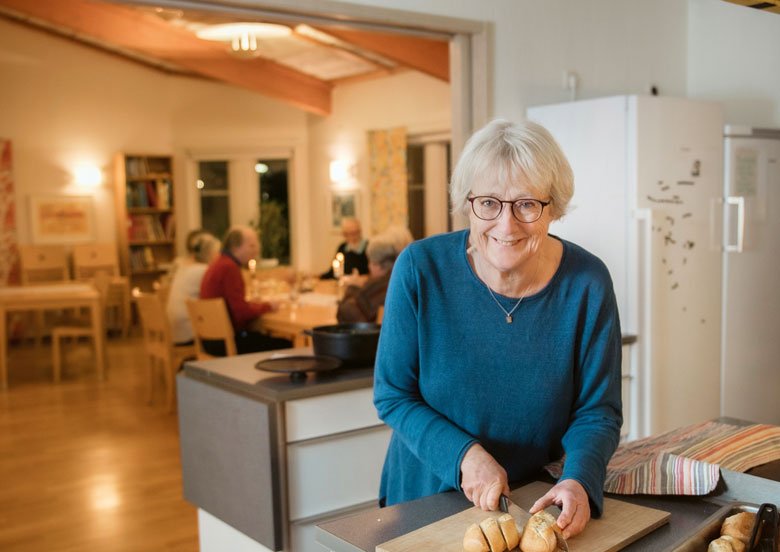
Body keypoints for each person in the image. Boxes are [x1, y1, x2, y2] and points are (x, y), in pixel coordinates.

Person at [373, 119, 622, 540]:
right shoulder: (419, 269)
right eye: (488, 203)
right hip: (424, 497)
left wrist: (579, 478)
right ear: (467, 203)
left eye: (527, 204)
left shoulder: (587, 283)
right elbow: (393, 394)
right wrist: (465, 455)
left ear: (554, 207)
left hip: (531, 499)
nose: (506, 226)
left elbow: (597, 410)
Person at [199, 225, 291, 355]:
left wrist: (252, 304)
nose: (256, 250)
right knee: (287, 346)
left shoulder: (218, 263)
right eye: (252, 246)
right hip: (225, 342)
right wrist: (269, 305)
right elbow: (242, 314)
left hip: (210, 339)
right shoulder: (229, 268)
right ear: (236, 247)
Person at [336, 226, 413, 323]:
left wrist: (352, 288)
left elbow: (345, 314)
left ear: (378, 265)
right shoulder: (404, 278)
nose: (369, 266)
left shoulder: (379, 287)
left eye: (371, 262)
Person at [166, 232, 220, 345]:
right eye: (217, 253)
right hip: (189, 332)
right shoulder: (204, 270)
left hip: (176, 329)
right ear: (211, 253)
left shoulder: (183, 267)